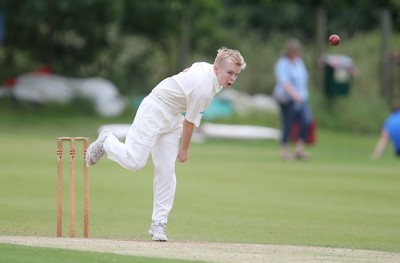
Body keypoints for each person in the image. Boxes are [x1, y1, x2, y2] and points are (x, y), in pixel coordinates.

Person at [85, 47, 246, 241]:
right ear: (216, 68)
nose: (232, 78)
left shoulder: (205, 67)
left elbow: (190, 68)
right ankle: (107, 141)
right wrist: (184, 149)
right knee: (135, 162)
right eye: (229, 73)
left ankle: (159, 224)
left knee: (166, 171)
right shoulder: (204, 90)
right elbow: (190, 123)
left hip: (172, 117)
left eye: (236, 74)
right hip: (155, 108)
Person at [273, 38, 312, 161]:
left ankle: (299, 149)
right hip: (287, 98)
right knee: (288, 123)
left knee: (306, 121)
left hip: (301, 98)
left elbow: (303, 79)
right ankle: (285, 151)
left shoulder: (299, 62)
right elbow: (285, 82)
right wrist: (294, 94)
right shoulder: (282, 63)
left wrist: (301, 95)